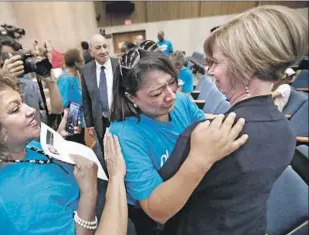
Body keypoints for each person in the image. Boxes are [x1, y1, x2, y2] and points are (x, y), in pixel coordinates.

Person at [156, 5, 308, 235]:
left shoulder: (205, 135)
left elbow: (156, 205)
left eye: (216, 62)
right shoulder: (286, 131)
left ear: (245, 67)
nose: (210, 71)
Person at [0, 69, 129, 235]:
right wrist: (110, 181)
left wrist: (58, 138)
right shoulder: (14, 208)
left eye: (23, 102)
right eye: (15, 109)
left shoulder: (12, 151)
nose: (31, 110)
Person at [109, 40, 248, 235]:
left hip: (193, 202)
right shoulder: (125, 135)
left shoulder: (181, 101)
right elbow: (156, 210)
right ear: (132, 98)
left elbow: (205, 130)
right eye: (157, 93)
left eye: (171, 83)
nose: (170, 96)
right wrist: (200, 160)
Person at [0, 34, 63, 124]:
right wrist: (5, 80)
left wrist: (52, 84)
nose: (19, 60)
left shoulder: (29, 86)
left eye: (20, 55)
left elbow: (57, 110)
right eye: (12, 56)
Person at [81, 34, 119, 172]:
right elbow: (86, 99)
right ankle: (110, 174)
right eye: (98, 48)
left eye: (105, 46)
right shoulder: (86, 70)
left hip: (120, 116)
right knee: (105, 149)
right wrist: (89, 123)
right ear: (90, 52)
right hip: (100, 120)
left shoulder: (119, 65)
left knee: (123, 146)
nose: (103, 51)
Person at [57, 49, 86, 145]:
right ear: (76, 62)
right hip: (71, 117)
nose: (84, 62)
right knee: (75, 144)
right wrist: (73, 123)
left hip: (78, 116)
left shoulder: (76, 75)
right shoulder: (65, 78)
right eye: (82, 60)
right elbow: (64, 103)